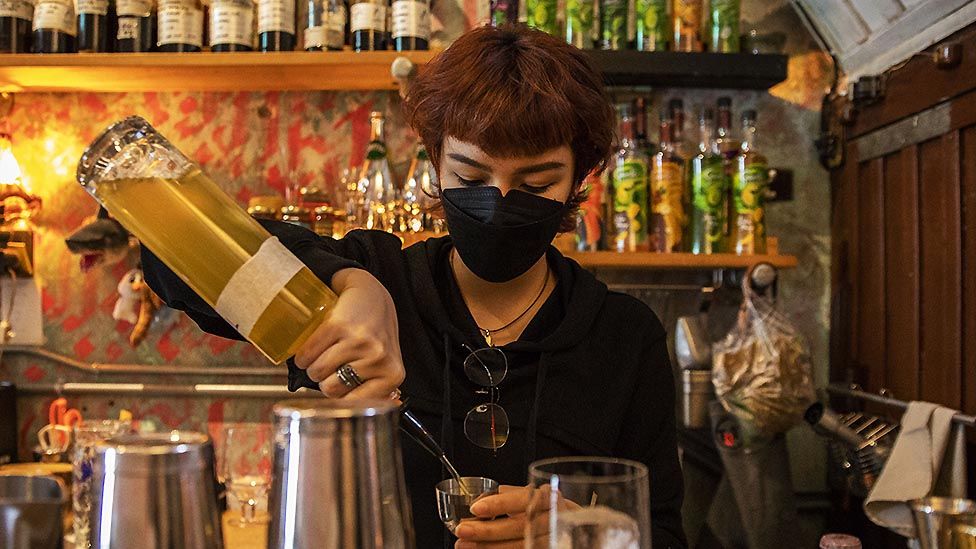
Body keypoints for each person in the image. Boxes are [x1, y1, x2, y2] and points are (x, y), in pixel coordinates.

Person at [143, 24, 686, 549]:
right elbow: (169, 250)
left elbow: (663, 534)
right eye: (470, 178)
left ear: (579, 180)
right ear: (433, 161)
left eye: (536, 183)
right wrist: (351, 283)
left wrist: (584, 534)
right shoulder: (370, 280)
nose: (496, 203)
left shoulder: (624, 337)